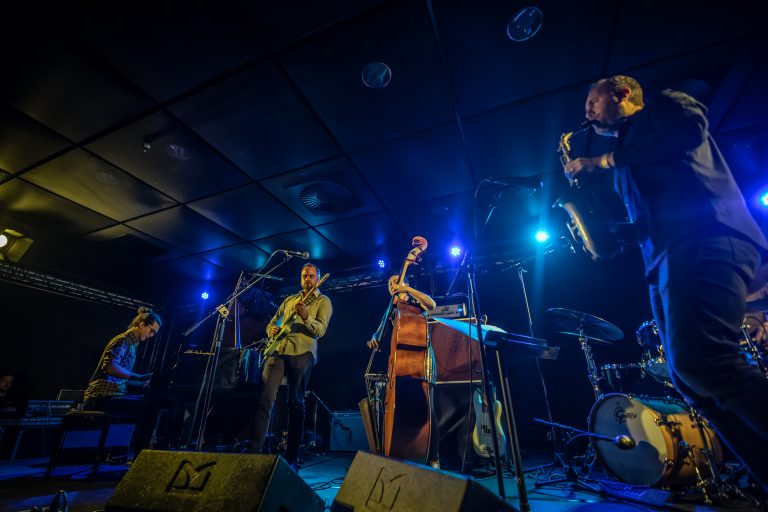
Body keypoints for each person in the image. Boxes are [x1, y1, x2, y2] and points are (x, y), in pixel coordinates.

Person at [564, 75, 768, 491]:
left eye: (593, 100)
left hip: (708, 237)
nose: (586, 110)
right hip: (668, 257)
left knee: (708, 364)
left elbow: (688, 132)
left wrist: (600, 162)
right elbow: (642, 225)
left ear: (622, 93)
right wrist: (599, 233)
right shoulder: (627, 160)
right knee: (690, 379)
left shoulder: (667, 106)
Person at [245, 262, 332, 470]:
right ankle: (252, 454)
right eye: (304, 276)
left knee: (296, 403)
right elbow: (274, 323)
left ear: (317, 278)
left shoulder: (323, 301)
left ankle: (291, 458)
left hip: (302, 352)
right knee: (265, 400)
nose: (307, 279)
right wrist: (271, 330)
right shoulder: (289, 300)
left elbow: (320, 330)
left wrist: (305, 316)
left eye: (311, 276)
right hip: (277, 351)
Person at [83, 306, 161, 452]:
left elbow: (119, 377)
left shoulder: (131, 344)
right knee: (149, 409)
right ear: (142, 324)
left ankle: (123, 452)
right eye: (152, 331)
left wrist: (142, 382)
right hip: (101, 397)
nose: (151, 336)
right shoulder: (123, 340)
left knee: (148, 406)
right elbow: (110, 368)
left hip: (112, 396)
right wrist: (138, 377)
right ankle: (141, 455)